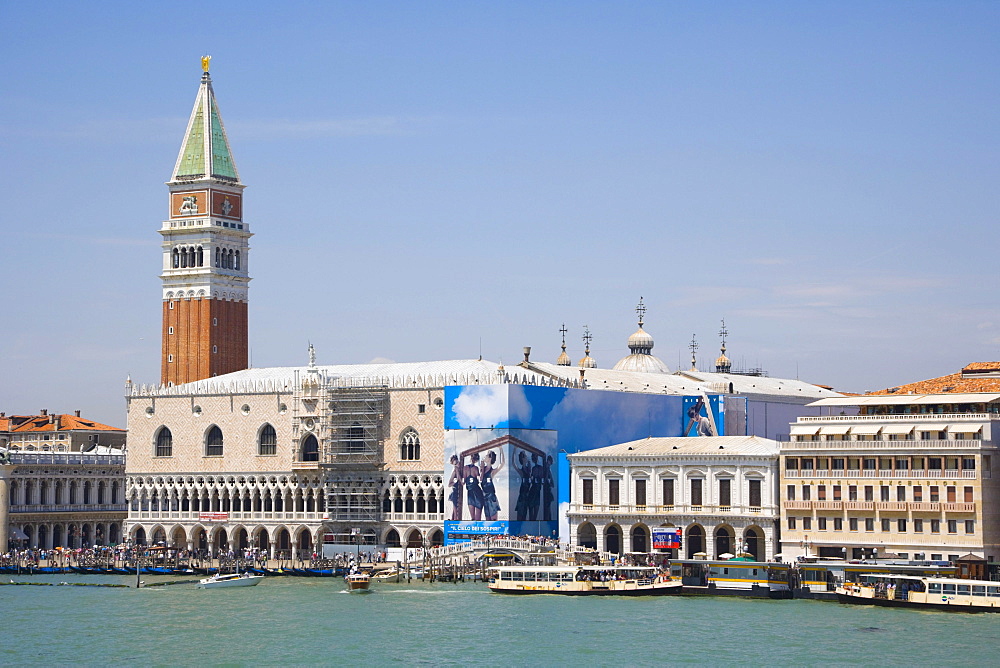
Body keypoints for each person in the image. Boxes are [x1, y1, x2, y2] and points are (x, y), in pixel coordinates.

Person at [480, 450, 504, 521]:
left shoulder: (492, 471)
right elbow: (480, 480)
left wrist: (501, 450)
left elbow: (502, 463)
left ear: (490, 458)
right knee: (487, 520)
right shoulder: (482, 469)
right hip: (484, 497)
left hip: (491, 497)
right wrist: (481, 468)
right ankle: (488, 533)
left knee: (493, 520)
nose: (484, 456)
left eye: (486, 455)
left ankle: (494, 532)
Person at [465, 452, 486, 521]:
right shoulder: (475, 468)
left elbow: (463, 481)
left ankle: (474, 531)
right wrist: (482, 469)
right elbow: (480, 480)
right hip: (477, 492)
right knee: (477, 518)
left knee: (473, 518)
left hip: (470, 492)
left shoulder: (465, 468)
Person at [513, 451, 532, 521]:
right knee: (520, 515)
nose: (526, 457)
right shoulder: (522, 471)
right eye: (524, 456)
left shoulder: (528, 469)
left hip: (527, 496)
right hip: (522, 496)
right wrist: (514, 451)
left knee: (524, 515)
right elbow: (514, 464)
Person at [447, 454, 463, 521]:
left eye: (457, 463)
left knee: (456, 509)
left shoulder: (461, 469)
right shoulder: (454, 471)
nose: (457, 465)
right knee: (456, 509)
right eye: (455, 464)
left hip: (459, 491)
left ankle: (453, 519)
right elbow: (449, 484)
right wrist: (456, 483)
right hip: (455, 491)